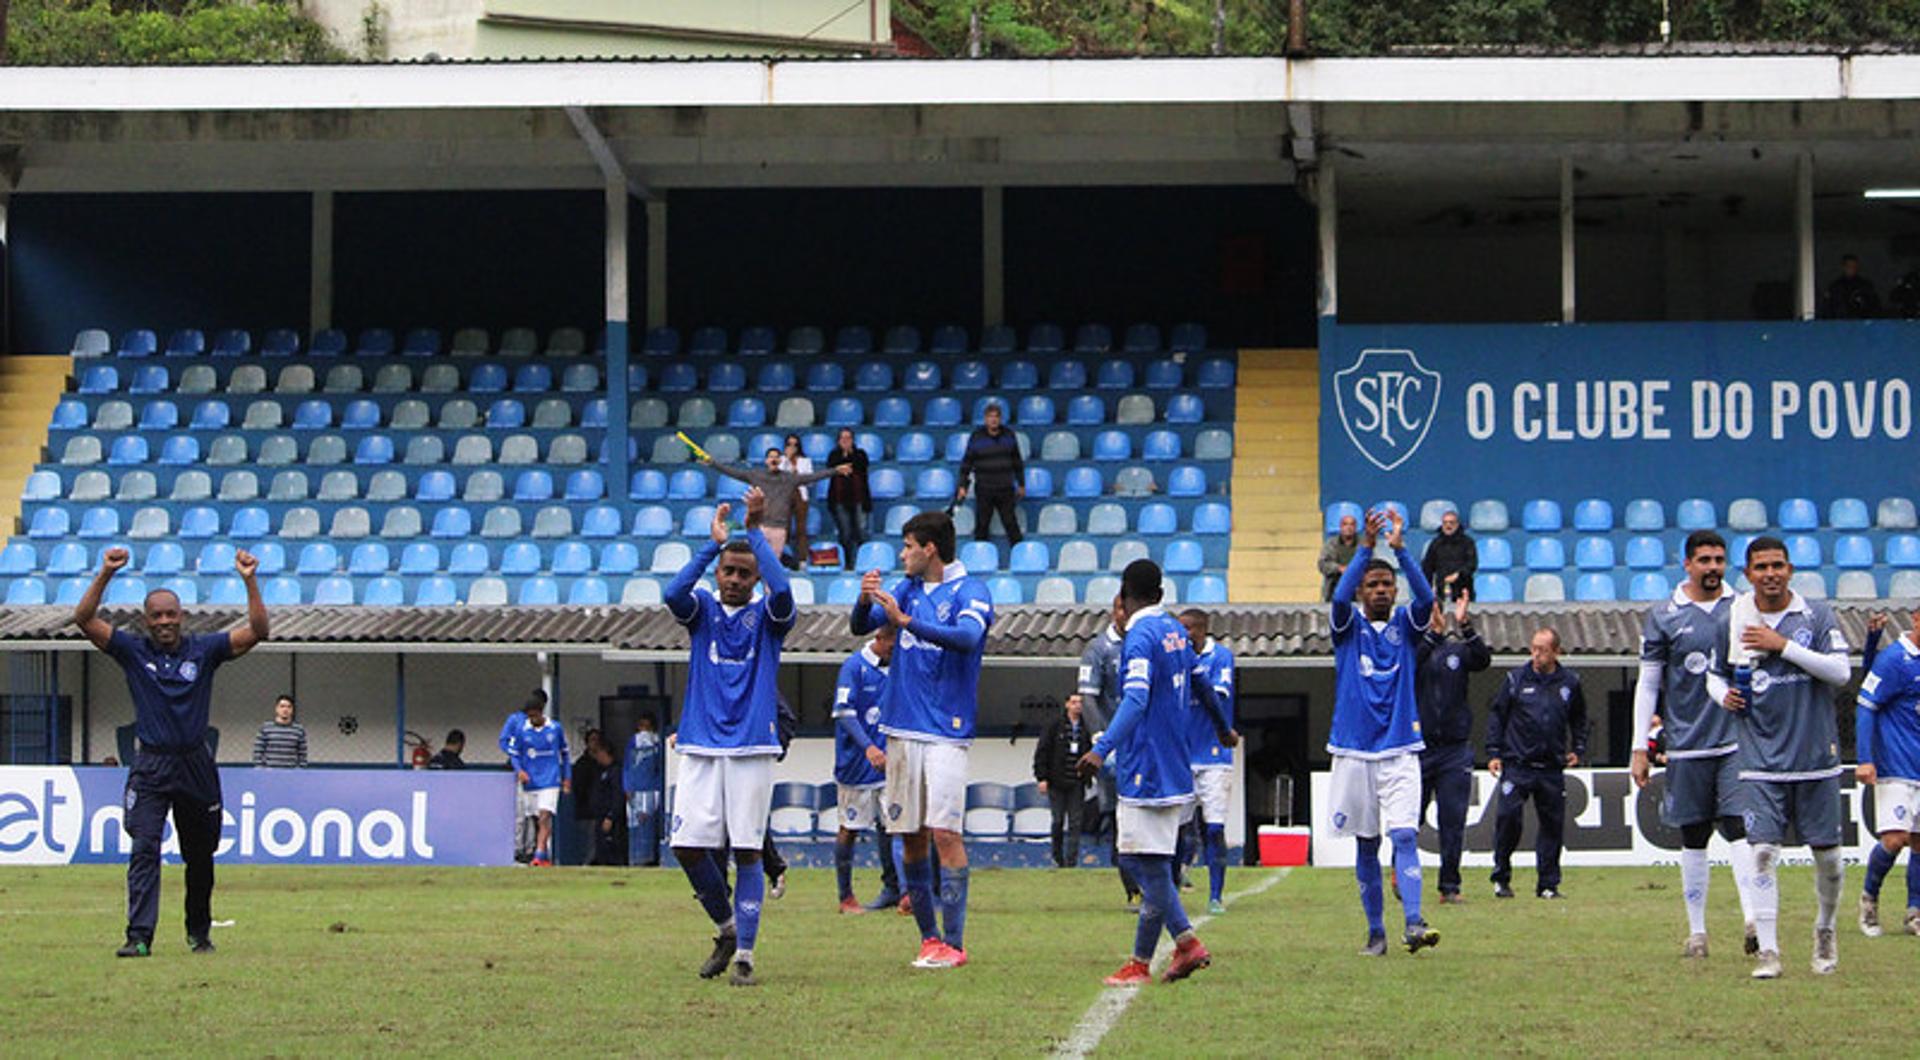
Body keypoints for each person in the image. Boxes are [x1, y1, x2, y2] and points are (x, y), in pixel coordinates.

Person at [75, 545, 269, 957]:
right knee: (144, 847)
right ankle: (139, 936)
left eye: (170, 614)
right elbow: (84, 619)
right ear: (147, 620)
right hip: (151, 765)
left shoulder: (206, 650)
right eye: (157, 615)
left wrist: (250, 580)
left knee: (200, 856)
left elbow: (258, 631)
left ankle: (199, 932)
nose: (164, 621)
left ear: (181, 616)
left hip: (195, 764)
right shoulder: (133, 651)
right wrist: (105, 572)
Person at [1076, 559, 1232, 986]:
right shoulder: (1175, 632)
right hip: (1177, 764)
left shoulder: (1140, 637)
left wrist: (1101, 746)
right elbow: (1201, 683)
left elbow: (1136, 699)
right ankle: (1141, 963)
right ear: (1160, 595)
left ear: (1123, 598)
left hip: (1147, 765)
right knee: (1154, 863)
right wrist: (1223, 727)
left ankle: (1186, 943)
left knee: (1139, 862)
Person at [851, 508, 994, 970]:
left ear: (930, 548)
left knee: (945, 833)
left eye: (909, 546)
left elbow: (969, 638)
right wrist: (864, 599)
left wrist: (907, 622)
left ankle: (955, 943)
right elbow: (859, 626)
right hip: (900, 730)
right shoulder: (908, 588)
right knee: (910, 837)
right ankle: (929, 938)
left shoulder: (970, 590)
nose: (903, 554)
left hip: (946, 732)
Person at [665, 487, 793, 988]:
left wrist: (757, 532)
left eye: (745, 573)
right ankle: (725, 927)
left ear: (755, 575)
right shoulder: (701, 612)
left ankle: (745, 953)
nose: (736, 579)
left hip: (751, 746)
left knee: (746, 851)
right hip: (698, 743)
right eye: (729, 571)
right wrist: (710, 546)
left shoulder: (768, 618)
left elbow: (783, 593)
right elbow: (672, 594)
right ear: (718, 573)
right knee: (687, 847)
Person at [1709, 536, 1851, 979]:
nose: (1770, 573)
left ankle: (1825, 928)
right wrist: (1723, 696)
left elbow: (1841, 673)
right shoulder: (1734, 619)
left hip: (1815, 756)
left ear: (1790, 570)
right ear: (1748, 574)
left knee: (1828, 856)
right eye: (1761, 567)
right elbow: (1714, 675)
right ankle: (1768, 951)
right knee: (1763, 853)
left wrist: (1781, 645)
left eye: (1778, 566)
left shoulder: (1815, 615)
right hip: (1759, 758)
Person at [1628, 530, 1760, 959]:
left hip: (1735, 740)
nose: (1713, 567)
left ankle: (1753, 920)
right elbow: (1648, 683)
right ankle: (1698, 932)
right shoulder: (1665, 615)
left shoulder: (1742, 608)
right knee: (1694, 835)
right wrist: (1639, 747)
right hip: (1686, 744)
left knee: (1740, 827)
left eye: (1719, 559)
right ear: (1687, 564)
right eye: (1704, 559)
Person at [1327, 508, 1441, 956]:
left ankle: (1413, 921)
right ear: (1361, 591)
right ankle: (1376, 932)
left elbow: (1429, 600)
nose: (1380, 590)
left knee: (1405, 837)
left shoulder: (1405, 628)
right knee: (1367, 843)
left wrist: (1400, 552)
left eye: (1387, 585)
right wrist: (1366, 550)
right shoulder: (1347, 626)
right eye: (1372, 585)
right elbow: (1336, 600)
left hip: (1400, 748)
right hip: (1354, 751)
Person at [1486, 627, 1588, 901]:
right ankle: (1501, 878)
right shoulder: (1515, 679)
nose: (1536, 654)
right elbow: (1497, 715)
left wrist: (1578, 747)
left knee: (1552, 825)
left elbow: (1579, 718)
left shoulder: (1570, 682)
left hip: (1551, 767)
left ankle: (1548, 884)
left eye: (1542, 650)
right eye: (1533, 648)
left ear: (1556, 652)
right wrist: (1494, 752)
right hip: (1517, 764)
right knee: (1508, 819)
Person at [1415, 589, 1490, 904]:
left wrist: (1466, 625)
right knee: (1408, 819)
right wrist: (1431, 635)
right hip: (1417, 748)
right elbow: (1407, 664)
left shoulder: (1457, 650)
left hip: (1454, 749)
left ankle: (1449, 886)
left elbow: (1483, 660)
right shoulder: (1412, 649)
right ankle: (1399, 872)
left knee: (1453, 820)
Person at [1857, 604, 1920, 939]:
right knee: (1896, 839)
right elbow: (1867, 704)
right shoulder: (1897, 658)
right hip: (1896, 765)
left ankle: (1915, 912)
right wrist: (1865, 758)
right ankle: (1869, 899)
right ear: (1916, 619)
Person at [832, 626, 902, 912]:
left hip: (891, 765)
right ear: (880, 638)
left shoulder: (898, 668)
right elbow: (843, 713)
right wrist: (868, 747)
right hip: (856, 765)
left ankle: (901, 892)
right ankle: (845, 896)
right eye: (892, 646)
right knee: (849, 828)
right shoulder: (854, 667)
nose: (895, 652)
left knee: (896, 826)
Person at [1077, 599, 1135, 905]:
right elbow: (1088, 698)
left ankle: (1169, 878)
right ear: (1114, 612)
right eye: (1120, 609)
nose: (1125, 615)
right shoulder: (1099, 649)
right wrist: (1102, 740)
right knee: (1118, 818)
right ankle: (1133, 890)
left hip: (1144, 746)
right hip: (1113, 749)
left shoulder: (1145, 642)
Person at [1179, 609, 1237, 915]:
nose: (1183, 634)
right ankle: (1175, 882)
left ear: (1201, 630)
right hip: (1182, 755)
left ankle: (1216, 895)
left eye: (1187, 629)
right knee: (1178, 828)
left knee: (1214, 828)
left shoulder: (1221, 657)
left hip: (1214, 755)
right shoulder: (1175, 658)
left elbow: (1216, 696)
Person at [699, 447, 847, 564]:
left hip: (779, 529)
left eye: (777, 457)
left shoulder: (789, 478)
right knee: (755, 563)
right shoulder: (756, 476)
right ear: (766, 461)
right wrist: (712, 463)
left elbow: (812, 477)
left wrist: (835, 471)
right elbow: (733, 472)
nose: (774, 459)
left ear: (780, 460)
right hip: (760, 528)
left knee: (772, 565)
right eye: (771, 457)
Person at [1033, 693, 1093, 870]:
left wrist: (1088, 775)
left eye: (1080, 703)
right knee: (1058, 820)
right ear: (1067, 704)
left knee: (1075, 822)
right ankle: (1057, 858)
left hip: (1077, 781)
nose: (1077, 706)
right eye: (1074, 702)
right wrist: (1041, 777)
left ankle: (1071, 861)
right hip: (1057, 781)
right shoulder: (1054, 726)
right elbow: (1042, 751)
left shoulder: (1085, 728)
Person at [508, 697, 571, 867]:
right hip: (531, 781)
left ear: (541, 713)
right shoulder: (522, 730)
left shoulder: (555, 728)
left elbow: (565, 754)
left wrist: (567, 778)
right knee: (537, 819)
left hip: (550, 780)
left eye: (535, 716)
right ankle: (544, 856)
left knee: (544, 816)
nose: (533, 720)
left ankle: (539, 853)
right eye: (530, 717)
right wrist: (519, 770)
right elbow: (513, 754)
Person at [955, 402, 1025, 546]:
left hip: (1005, 488)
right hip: (984, 488)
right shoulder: (976, 437)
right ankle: (979, 557)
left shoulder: (1009, 436)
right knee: (982, 525)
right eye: (990, 417)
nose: (993, 420)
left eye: (996, 417)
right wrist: (962, 486)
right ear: (985, 419)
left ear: (1000, 419)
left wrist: (1021, 484)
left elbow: (1017, 461)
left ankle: (1019, 552)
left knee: (1011, 524)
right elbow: (966, 463)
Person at [500, 690, 545, 865]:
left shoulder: (543, 723)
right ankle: (517, 850)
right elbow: (504, 741)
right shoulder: (516, 720)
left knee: (535, 812)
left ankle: (533, 848)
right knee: (520, 812)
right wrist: (515, 755)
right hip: (521, 771)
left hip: (537, 771)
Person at [825, 427, 872, 569]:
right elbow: (832, 467)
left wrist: (849, 455)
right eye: (842, 438)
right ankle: (848, 563)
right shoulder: (833, 455)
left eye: (848, 438)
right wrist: (843, 456)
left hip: (859, 498)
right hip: (839, 499)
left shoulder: (860, 454)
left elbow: (861, 466)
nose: (845, 441)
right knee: (845, 533)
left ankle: (864, 561)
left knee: (861, 531)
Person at [624, 715, 665, 867]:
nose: (644, 730)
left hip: (652, 789)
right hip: (635, 790)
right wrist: (627, 786)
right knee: (635, 825)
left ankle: (649, 858)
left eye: (647, 726)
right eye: (641, 726)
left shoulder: (657, 742)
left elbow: (661, 767)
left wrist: (659, 788)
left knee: (650, 823)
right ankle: (635, 858)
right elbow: (627, 766)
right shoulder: (632, 742)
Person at [1419, 510, 1477, 603]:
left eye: (1451, 522)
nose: (1448, 526)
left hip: (1463, 590)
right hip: (1441, 592)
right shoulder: (1436, 543)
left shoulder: (1467, 542)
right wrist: (1428, 590)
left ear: (1457, 524)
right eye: (1445, 523)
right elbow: (1427, 568)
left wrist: (1458, 575)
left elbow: (1472, 564)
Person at [570, 728, 606, 866]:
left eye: (598, 740)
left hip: (601, 810)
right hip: (586, 810)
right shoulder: (582, 764)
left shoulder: (603, 764)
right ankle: (586, 864)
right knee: (588, 841)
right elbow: (579, 788)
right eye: (592, 740)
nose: (595, 744)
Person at [587, 744, 627, 866]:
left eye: (598, 753)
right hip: (599, 815)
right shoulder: (601, 771)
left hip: (610, 817)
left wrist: (611, 816)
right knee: (601, 846)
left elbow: (617, 796)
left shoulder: (615, 771)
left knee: (612, 845)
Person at [782, 434, 815, 570]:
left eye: (795, 444)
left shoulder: (805, 461)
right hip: (785, 497)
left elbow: (811, 481)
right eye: (789, 444)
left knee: (801, 529)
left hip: (800, 496)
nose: (792, 447)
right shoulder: (781, 461)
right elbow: (777, 478)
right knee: (785, 529)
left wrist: (797, 474)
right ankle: (784, 559)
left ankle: (802, 560)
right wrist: (787, 461)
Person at [251, 694, 307, 768]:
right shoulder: (265, 728)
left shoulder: (299, 730)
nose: (285, 709)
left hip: (291, 774)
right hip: (269, 773)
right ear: (276, 709)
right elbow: (258, 752)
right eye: (282, 706)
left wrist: (299, 771)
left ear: (292, 710)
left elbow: (302, 754)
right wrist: (261, 770)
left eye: (289, 707)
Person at [1824, 253, 1881, 319]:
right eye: (1849, 266)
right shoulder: (1836, 286)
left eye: (1854, 266)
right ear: (1843, 267)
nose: (1852, 269)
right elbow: (1829, 308)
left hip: (1860, 323)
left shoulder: (1864, 285)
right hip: (1840, 323)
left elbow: (1874, 306)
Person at [1318, 514, 1360, 603]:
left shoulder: (1364, 544)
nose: (1348, 527)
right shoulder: (1330, 544)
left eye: (1352, 524)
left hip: (1358, 589)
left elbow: (1372, 565)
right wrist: (1339, 568)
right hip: (1334, 587)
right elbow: (1322, 565)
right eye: (1345, 524)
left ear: (1356, 527)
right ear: (1340, 527)